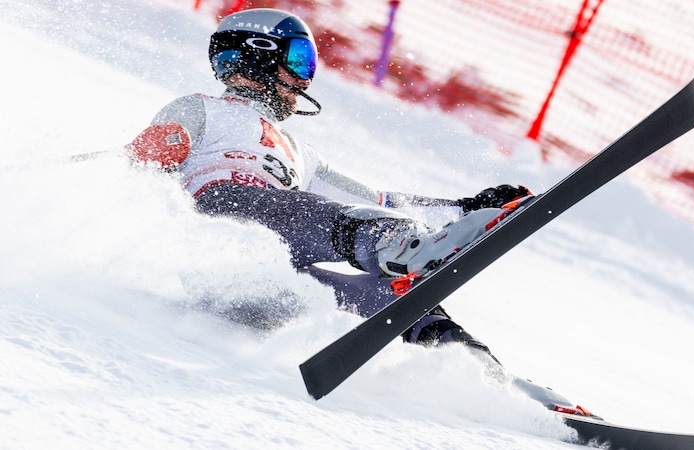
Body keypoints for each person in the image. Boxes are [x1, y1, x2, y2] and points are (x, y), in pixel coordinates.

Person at [127, 8, 592, 415]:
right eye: (297, 61)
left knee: (403, 291)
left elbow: (379, 203)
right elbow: (150, 153)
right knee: (324, 217)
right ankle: (412, 249)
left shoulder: (298, 152)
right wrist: (160, 148)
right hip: (218, 242)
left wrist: (464, 207)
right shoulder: (203, 108)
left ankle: (483, 377)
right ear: (255, 53)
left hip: (273, 289)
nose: (304, 79)